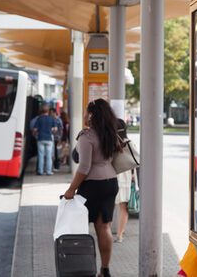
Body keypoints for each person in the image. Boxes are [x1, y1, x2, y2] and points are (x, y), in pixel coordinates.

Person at [64, 98, 119, 277]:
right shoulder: (111, 134)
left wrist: (71, 189)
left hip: (93, 186)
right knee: (104, 228)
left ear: (92, 115)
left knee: (78, 227)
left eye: (86, 111)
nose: (85, 114)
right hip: (111, 182)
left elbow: (84, 167)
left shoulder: (86, 136)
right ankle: (105, 270)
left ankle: (82, 268)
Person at [114, 119, 135, 243]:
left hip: (112, 177)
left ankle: (105, 229)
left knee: (110, 206)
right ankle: (119, 235)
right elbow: (136, 162)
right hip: (126, 179)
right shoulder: (129, 143)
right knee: (123, 207)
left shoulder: (111, 143)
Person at [32, 104, 57, 175]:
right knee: (49, 156)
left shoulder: (39, 118)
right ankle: (48, 171)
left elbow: (35, 129)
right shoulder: (51, 118)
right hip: (49, 139)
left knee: (41, 155)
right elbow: (55, 129)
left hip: (40, 138)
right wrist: (52, 133)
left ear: (41, 111)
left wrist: (34, 135)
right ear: (48, 111)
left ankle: (40, 171)